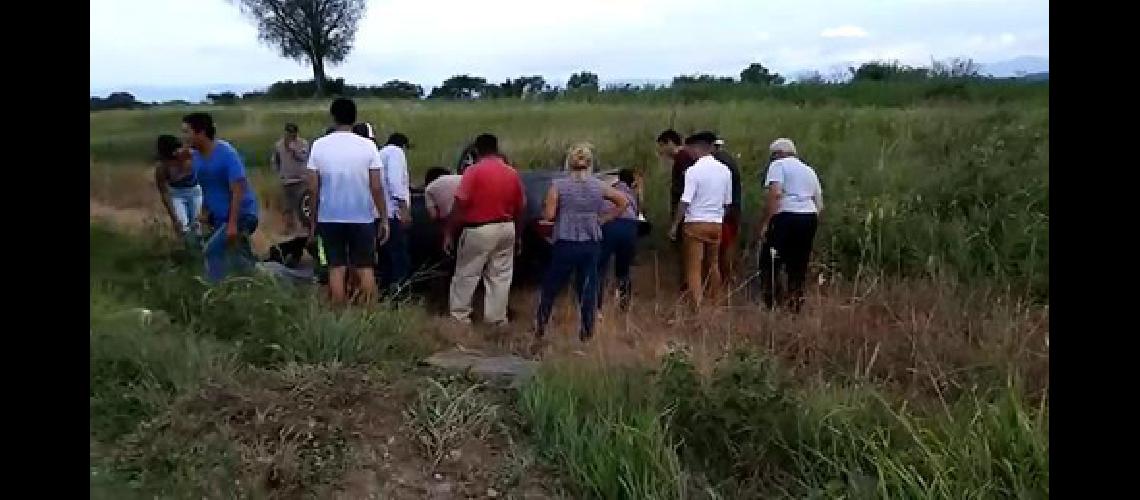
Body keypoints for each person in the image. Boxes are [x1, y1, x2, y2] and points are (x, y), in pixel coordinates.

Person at [535, 144, 629, 341]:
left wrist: (545, 212)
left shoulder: (559, 185)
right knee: (588, 287)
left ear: (569, 162)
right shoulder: (598, 185)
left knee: (551, 286)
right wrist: (604, 218)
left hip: (566, 239)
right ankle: (587, 331)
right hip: (591, 240)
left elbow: (550, 215)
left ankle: (541, 326)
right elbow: (623, 201)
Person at [305, 98, 389, 305]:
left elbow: (313, 188)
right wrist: (384, 218)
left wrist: (313, 221)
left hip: (329, 216)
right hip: (363, 217)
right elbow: (377, 186)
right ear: (355, 117)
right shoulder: (369, 146)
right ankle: (370, 314)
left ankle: (339, 315)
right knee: (365, 267)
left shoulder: (319, 146)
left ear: (333, 117)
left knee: (336, 267)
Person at [443, 133, 525, 326]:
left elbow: (460, 203)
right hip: (506, 228)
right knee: (500, 277)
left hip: (479, 229)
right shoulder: (511, 173)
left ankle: (460, 318)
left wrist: (449, 232)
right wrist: (518, 235)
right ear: (497, 149)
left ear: (477, 150)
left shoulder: (473, 172)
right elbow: (521, 207)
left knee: (467, 274)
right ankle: (496, 319)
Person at [181, 112, 260, 283]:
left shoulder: (226, 153)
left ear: (200, 133)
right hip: (220, 218)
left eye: (187, 132)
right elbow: (207, 187)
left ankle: (215, 290)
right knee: (239, 260)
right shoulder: (196, 158)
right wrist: (204, 213)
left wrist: (232, 224)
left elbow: (238, 189)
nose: (184, 137)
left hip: (242, 215)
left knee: (212, 251)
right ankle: (257, 284)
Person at [756, 138, 823, 312]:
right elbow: (819, 202)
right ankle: (796, 303)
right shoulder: (809, 170)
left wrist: (766, 223)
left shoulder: (778, 166)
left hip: (786, 216)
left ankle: (772, 303)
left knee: (770, 261)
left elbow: (775, 194)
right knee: (799, 263)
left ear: (777, 154)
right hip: (808, 217)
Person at [667, 132, 732, 309]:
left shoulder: (693, 171)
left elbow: (685, 201)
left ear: (697, 148)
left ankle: (698, 306)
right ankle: (716, 301)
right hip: (716, 223)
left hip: (695, 223)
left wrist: (675, 225)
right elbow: (727, 203)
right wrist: (717, 217)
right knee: (713, 265)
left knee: (693, 267)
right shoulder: (725, 171)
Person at [657, 129, 696, 291]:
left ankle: (687, 287)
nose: (661, 151)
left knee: (685, 254)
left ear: (670, 143)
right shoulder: (685, 158)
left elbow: (686, 190)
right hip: (686, 213)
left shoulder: (683, 159)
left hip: (685, 214)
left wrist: (676, 221)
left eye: (661, 146)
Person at [597, 168, 640, 313]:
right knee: (624, 269)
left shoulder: (610, 190)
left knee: (600, 268)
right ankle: (624, 305)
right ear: (632, 182)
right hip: (629, 227)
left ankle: (597, 305)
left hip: (610, 226)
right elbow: (638, 212)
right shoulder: (633, 195)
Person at [377, 132, 413, 293]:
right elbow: (395, 182)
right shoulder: (396, 153)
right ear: (403, 146)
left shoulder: (380, 154)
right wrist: (404, 209)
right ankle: (399, 292)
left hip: (379, 214)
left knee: (384, 257)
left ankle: (384, 291)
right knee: (399, 257)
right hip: (393, 213)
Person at [152, 134, 201, 248]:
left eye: (178, 150)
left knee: (197, 226)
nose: (177, 154)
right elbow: (164, 193)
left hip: (195, 192)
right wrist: (174, 217)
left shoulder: (191, 154)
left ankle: (201, 253)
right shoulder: (162, 168)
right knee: (183, 226)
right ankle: (188, 252)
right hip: (177, 195)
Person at [712, 138, 743, 285]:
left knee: (722, 246)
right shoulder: (730, 160)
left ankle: (725, 279)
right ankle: (728, 277)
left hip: (726, 210)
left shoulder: (720, 162)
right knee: (729, 244)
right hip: (734, 208)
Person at [271, 123, 310, 237]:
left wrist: (293, 150)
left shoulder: (303, 143)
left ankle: (304, 229)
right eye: (288, 133)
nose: (291, 135)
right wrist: (279, 173)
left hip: (301, 180)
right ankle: (289, 228)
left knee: (301, 207)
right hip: (286, 180)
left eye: (293, 133)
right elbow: (275, 161)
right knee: (287, 207)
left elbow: (303, 157)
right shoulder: (278, 145)